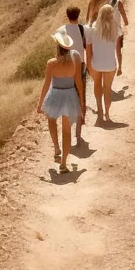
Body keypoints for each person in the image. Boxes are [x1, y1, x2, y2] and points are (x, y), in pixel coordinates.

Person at [35, 30, 85, 173]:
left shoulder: (51, 63)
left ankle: (56, 147)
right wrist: (81, 102)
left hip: (55, 95)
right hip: (69, 95)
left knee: (51, 120)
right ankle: (63, 163)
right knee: (67, 132)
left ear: (57, 47)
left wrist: (40, 103)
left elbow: (46, 84)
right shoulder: (74, 62)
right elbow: (78, 83)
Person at [56, 6, 89, 143]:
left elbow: (58, 53)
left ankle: (68, 127)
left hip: (66, 66)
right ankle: (79, 131)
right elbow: (87, 48)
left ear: (67, 15)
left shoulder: (60, 30)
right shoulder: (84, 29)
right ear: (78, 14)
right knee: (81, 95)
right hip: (80, 65)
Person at [85, 0, 129, 75]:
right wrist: (126, 24)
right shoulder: (115, 1)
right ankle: (119, 67)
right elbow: (125, 18)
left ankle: (97, 67)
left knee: (99, 49)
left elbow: (88, 17)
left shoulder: (92, 1)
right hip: (115, 29)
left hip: (98, 29)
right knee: (117, 49)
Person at [86, 4, 119, 124]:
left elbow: (88, 49)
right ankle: (107, 115)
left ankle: (99, 112)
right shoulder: (116, 29)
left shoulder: (92, 28)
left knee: (97, 85)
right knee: (107, 89)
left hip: (96, 63)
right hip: (110, 64)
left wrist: (88, 64)